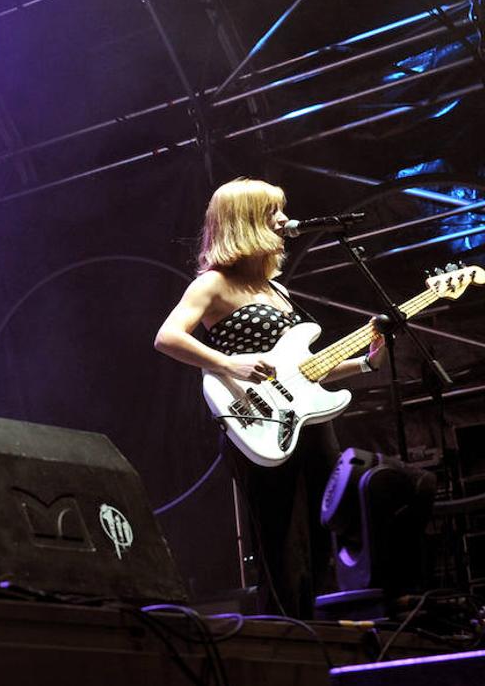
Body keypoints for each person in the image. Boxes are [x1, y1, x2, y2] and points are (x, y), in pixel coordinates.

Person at [153, 177, 386, 618]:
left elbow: (302, 371)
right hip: (257, 421)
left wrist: (366, 364)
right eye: (272, 212)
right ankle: (289, 633)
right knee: (281, 533)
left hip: (310, 421)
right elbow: (167, 338)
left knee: (328, 523)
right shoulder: (213, 284)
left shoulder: (277, 290)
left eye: (282, 209)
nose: (283, 220)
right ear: (245, 223)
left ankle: (328, 624)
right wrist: (227, 363)